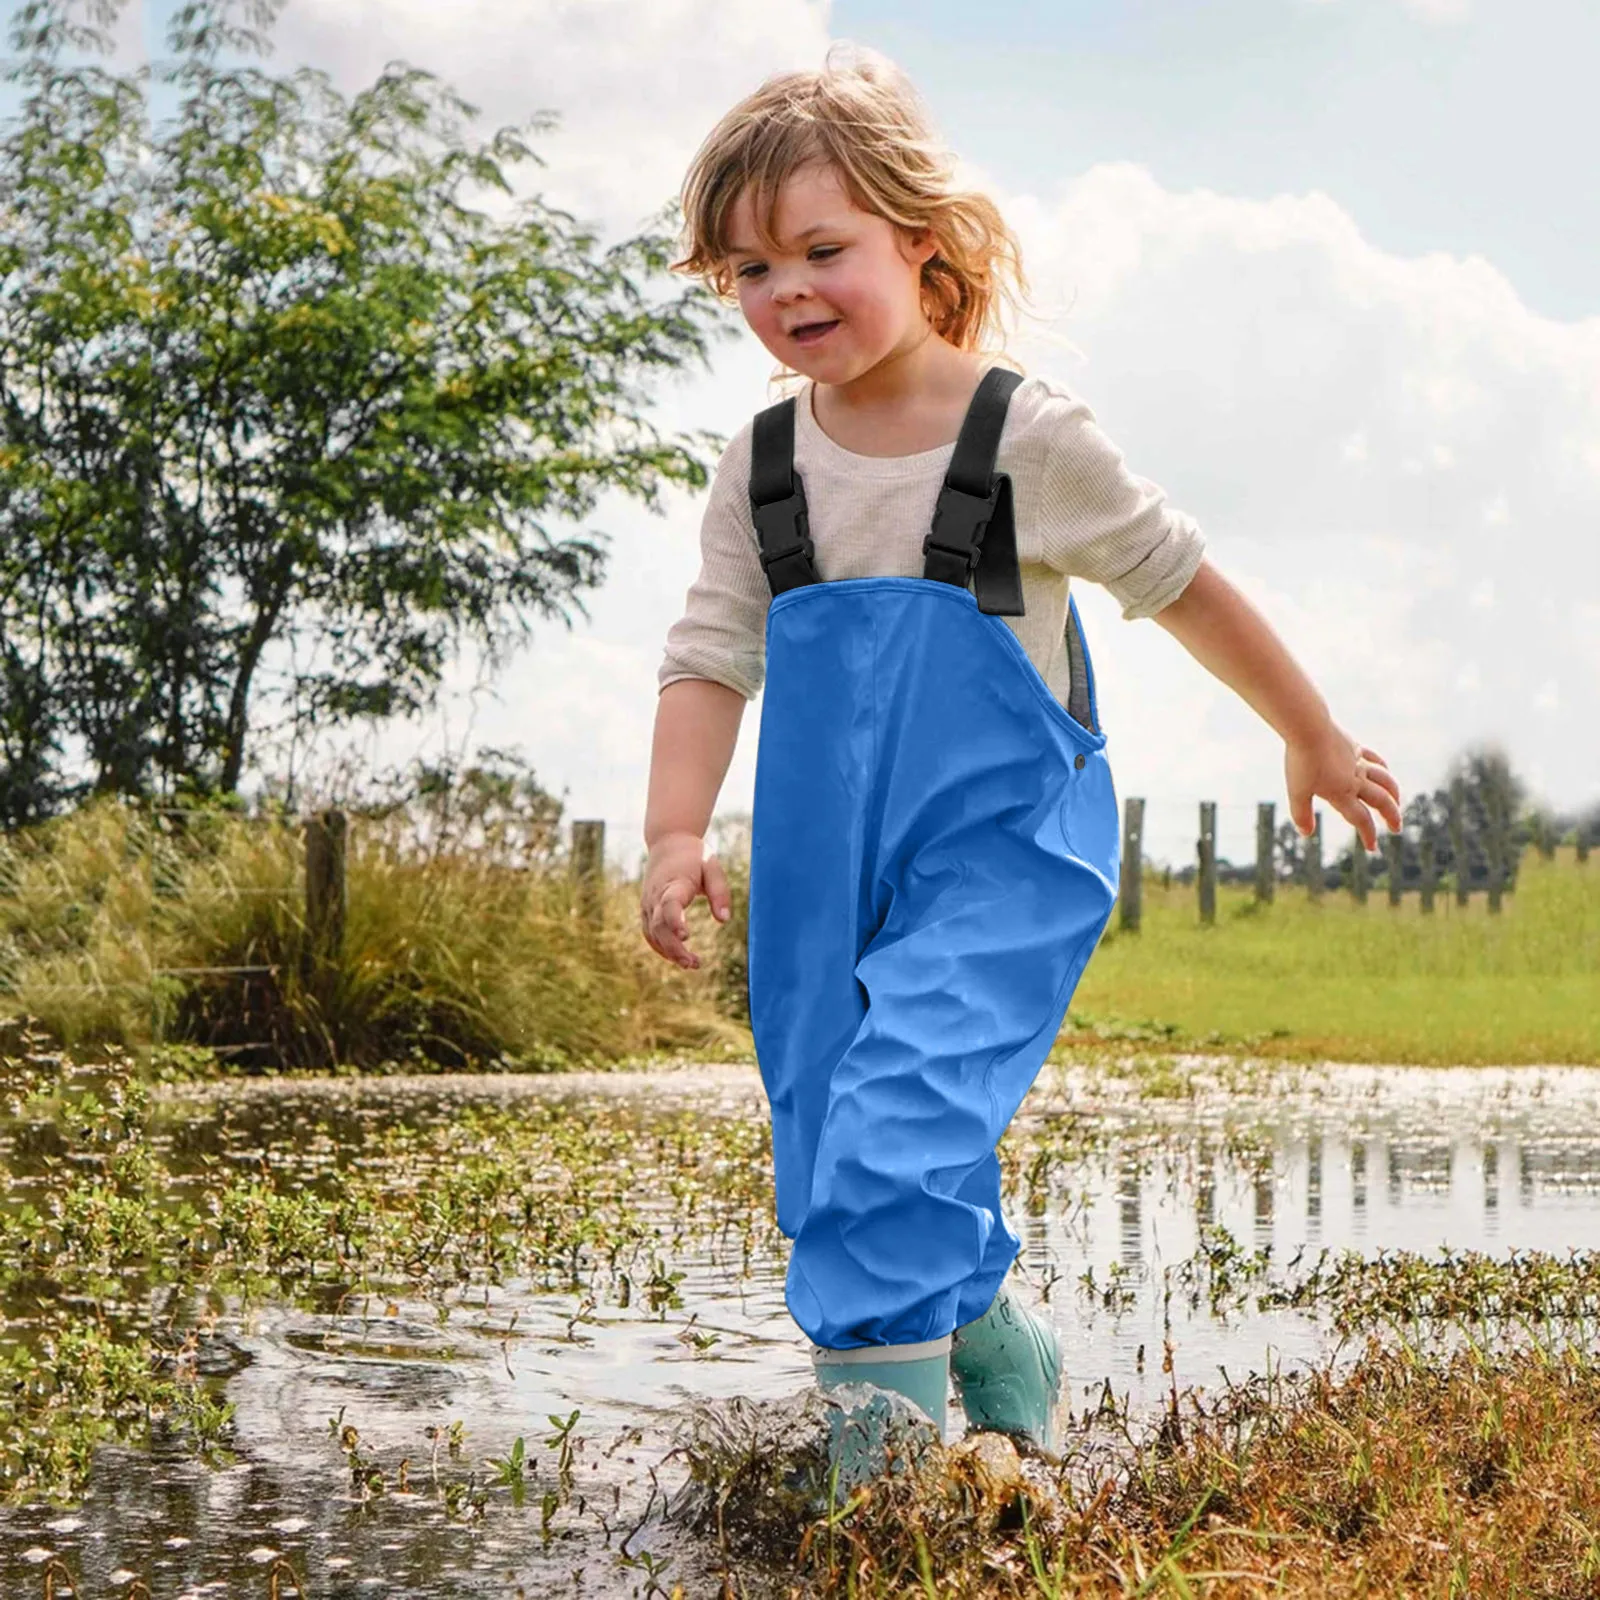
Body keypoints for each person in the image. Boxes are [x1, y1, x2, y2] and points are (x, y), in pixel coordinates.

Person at [639, 44, 1403, 1489]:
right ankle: (995, 1341)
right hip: (820, 874)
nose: (787, 290)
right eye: (749, 269)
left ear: (920, 238)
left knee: (900, 1109)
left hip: (1005, 855)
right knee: (829, 1142)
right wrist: (677, 831)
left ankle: (882, 1480)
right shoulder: (761, 467)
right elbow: (709, 654)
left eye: (821, 250)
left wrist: (1307, 729)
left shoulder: (1025, 440)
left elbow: (1181, 581)